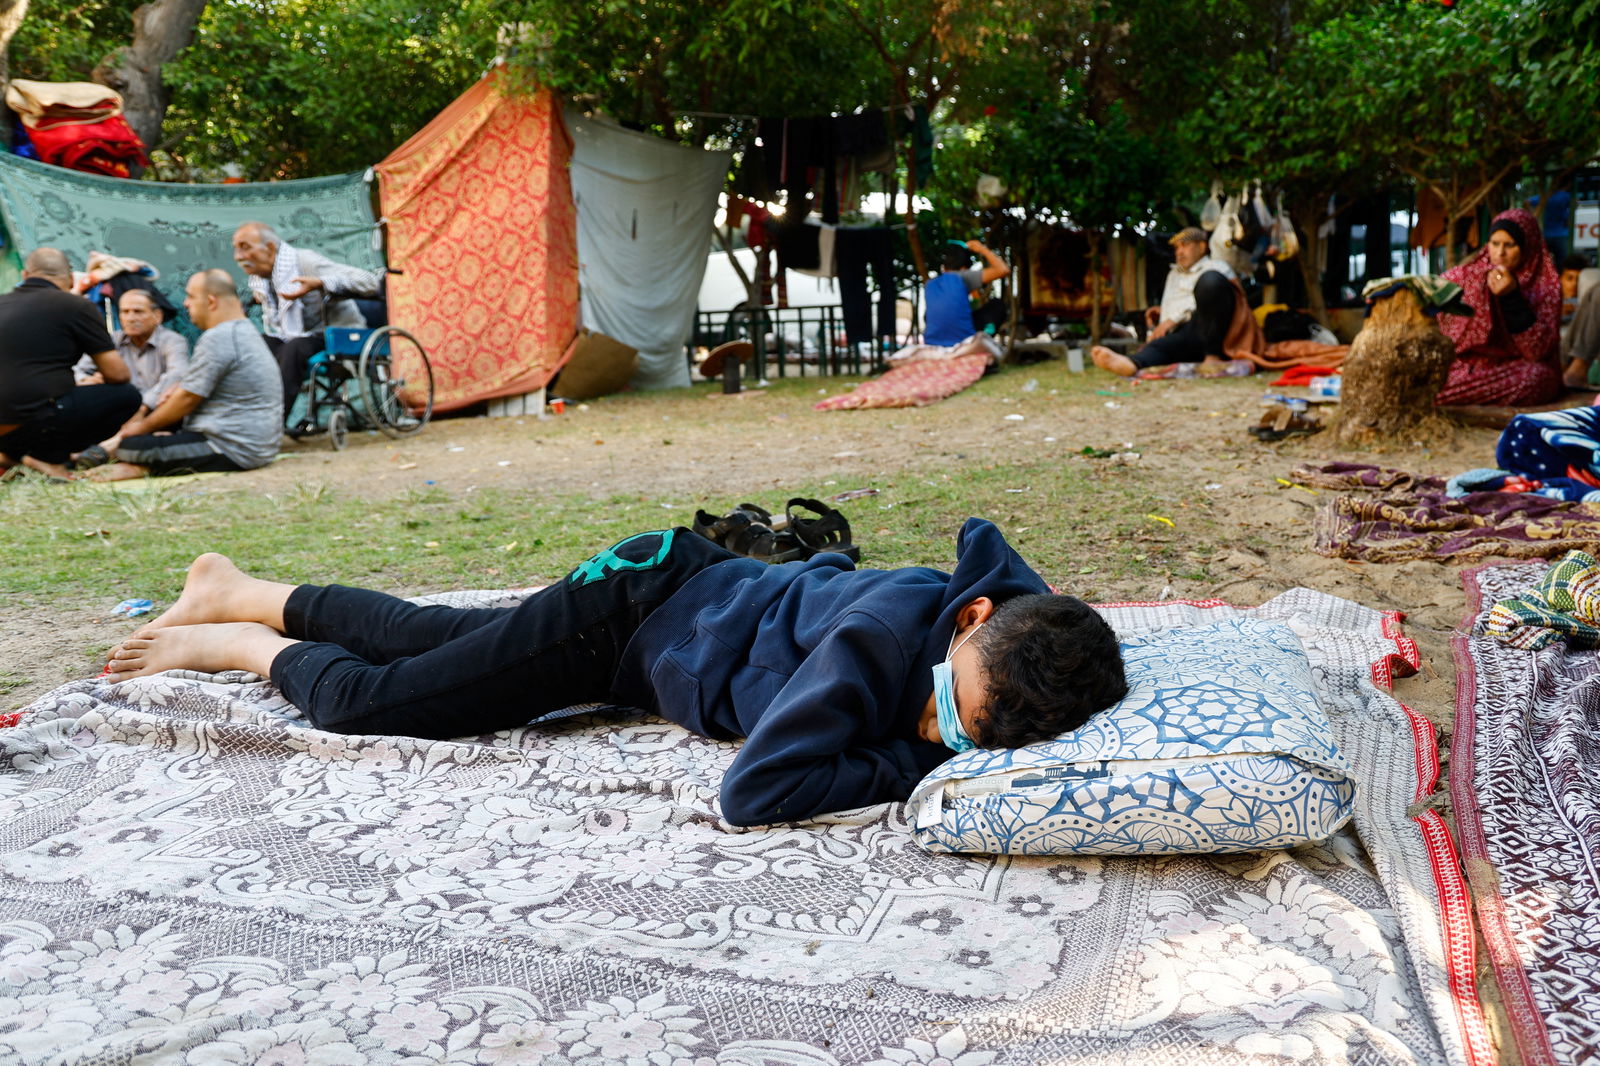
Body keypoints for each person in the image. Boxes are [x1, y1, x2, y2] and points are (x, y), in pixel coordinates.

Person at [102, 518, 1129, 828]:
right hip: (628, 619)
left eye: (956, 733)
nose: (928, 721)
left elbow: (1042, 669)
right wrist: (914, 765)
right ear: (969, 616)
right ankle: (232, 638)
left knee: (429, 637)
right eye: (943, 701)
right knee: (391, 699)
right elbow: (755, 788)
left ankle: (239, 581)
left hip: (670, 603)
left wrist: (971, 734)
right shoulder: (874, 651)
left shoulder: (1012, 629)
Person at [90, 270, 283, 481]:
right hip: (252, 445)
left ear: (210, 301)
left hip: (232, 449)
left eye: (191, 296)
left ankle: (140, 467)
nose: (185, 303)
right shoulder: (240, 330)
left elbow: (187, 399)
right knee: (152, 436)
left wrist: (139, 429)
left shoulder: (220, 337)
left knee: (131, 446)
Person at [0, 247, 138, 480]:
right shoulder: (74, 306)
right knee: (127, 396)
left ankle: (13, 457)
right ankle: (47, 458)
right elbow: (118, 374)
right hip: (33, 424)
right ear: (70, 278)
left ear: (25, 275)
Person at [231, 221, 381, 419]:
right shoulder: (261, 279)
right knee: (254, 345)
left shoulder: (305, 262)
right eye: (236, 249)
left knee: (294, 349)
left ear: (269, 248)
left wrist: (321, 283)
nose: (238, 257)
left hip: (336, 335)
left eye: (245, 248)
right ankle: (242, 419)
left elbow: (370, 281)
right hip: (292, 336)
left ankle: (272, 424)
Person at [1435, 208, 1564, 405]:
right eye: (1495, 244)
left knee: (1537, 379)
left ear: (1527, 246)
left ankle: (1441, 397)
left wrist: (1511, 298)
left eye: (1510, 245)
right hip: (1466, 366)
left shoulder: (1546, 286)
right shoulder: (1466, 276)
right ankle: (1449, 393)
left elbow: (1537, 353)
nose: (1500, 253)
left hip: (1514, 369)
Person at [1091, 227, 1236, 377]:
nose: (1179, 252)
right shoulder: (1174, 273)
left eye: (1185, 245)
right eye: (1176, 247)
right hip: (1182, 336)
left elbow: (1222, 303)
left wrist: (1173, 320)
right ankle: (1131, 363)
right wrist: (1164, 314)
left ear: (1202, 247)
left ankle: (1212, 357)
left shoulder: (1217, 267)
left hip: (1209, 334)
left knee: (1211, 281)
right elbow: (1178, 304)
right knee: (1163, 345)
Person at [71, 287, 190, 467]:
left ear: (157, 316)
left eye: (138, 312)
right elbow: (76, 370)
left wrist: (143, 407)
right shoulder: (112, 340)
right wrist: (86, 381)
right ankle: (105, 450)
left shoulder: (173, 341)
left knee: (174, 393)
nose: (130, 318)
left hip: (155, 412)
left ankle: (106, 450)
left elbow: (177, 374)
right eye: (125, 312)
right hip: (121, 414)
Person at [923, 239, 1010, 348]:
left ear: (944, 267)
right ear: (964, 268)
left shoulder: (930, 284)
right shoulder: (963, 276)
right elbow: (1003, 270)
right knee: (997, 305)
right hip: (964, 339)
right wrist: (982, 249)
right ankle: (983, 341)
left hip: (933, 342)